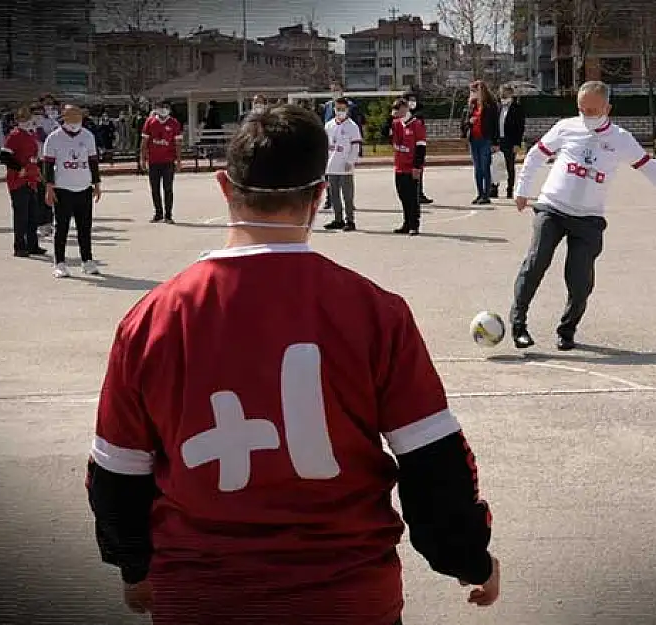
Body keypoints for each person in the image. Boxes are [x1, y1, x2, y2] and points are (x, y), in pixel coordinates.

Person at [85, 103, 500, 625]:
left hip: (201, 595)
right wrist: (468, 560)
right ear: (320, 194)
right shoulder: (375, 311)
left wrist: (133, 565)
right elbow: (434, 464)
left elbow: (116, 473)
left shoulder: (152, 319)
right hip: (346, 597)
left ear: (223, 187)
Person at [510, 81, 656, 351]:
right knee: (535, 262)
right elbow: (534, 156)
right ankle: (519, 325)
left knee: (579, 280)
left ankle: (567, 329)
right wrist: (522, 190)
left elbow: (650, 168)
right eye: (582, 109)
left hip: (588, 219)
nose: (586, 116)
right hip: (552, 207)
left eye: (593, 110)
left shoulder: (620, 139)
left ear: (607, 108)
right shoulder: (566, 127)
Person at [43, 104, 101, 278]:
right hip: (63, 188)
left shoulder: (88, 136)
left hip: (84, 187)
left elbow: (93, 161)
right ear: (64, 119)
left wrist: (97, 183)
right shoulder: (54, 138)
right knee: (62, 228)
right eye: (72, 120)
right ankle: (59, 263)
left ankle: (87, 261)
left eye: (78, 119)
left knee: (85, 227)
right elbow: (48, 165)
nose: (76, 123)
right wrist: (49, 188)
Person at [0, 106, 47, 258]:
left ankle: (32, 245)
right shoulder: (14, 135)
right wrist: (19, 168)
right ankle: (19, 246)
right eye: (23, 119)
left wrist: (37, 171)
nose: (27, 121)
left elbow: (33, 157)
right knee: (21, 215)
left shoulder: (30, 134)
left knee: (33, 214)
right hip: (18, 180)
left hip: (31, 179)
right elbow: (4, 156)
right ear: (18, 121)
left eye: (28, 119)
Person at [322, 97, 363, 232]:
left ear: (347, 110)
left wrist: (350, 161)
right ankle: (337, 219)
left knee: (347, 195)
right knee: (334, 195)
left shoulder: (352, 126)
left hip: (345, 167)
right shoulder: (328, 125)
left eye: (342, 109)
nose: (340, 111)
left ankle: (350, 220)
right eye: (337, 109)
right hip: (331, 166)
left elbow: (356, 147)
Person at [141, 99, 183, 224]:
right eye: (161, 107)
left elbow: (178, 143)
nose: (163, 109)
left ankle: (168, 215)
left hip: (168, 161)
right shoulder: (150, 122)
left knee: (168, 188)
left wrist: (179, 160)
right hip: (154, 161)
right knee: (154, 188)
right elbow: (144, 142)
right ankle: (158, 213)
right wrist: (142, 158)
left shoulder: (174, 123)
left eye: (166, 107)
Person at [389, 98, 427, 236]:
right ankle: (406, 223)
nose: (396, 112)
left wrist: (417, 166)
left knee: (412, 197)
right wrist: (390, 118)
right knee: (403, 196)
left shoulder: (416, 124)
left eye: (398, 108)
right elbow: (383, 134)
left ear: (405, 108)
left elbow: (421, 147)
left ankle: (414, 224)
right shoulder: (395, 123)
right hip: (399, 166)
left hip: (411, 167)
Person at [460, 80, 500, 205]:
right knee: (477, 169)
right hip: (474, 139)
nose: (472, 93)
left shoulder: (490, 105)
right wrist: (469, 122)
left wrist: (495, 142)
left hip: (486, 139)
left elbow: (495, 125)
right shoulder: (471, 106)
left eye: (474, 90)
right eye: (471, 91)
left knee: (485, 168)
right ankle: (479, 193)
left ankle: (486, 195)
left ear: (481, 91)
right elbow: (464, 123)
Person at [491, 84, 526, 200]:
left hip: (510, 141)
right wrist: (494, 142)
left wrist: (517, 144)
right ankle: (494, 188)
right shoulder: (497, 107)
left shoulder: (517, 108)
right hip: (498, 141)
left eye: (505, 93)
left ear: (511, 94)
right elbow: (494, 125)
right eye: (501, 93)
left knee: (509, 166)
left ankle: (509, 189)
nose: (503, 95)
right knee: (496, 165)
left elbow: (520, 127)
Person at [33, 100, 61, 237]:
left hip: (47, 161)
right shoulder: (31, 123)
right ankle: (40, 222)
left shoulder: (51, 122)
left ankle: (48, 222)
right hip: (35, 161)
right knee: (38, 194)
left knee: (48, 191)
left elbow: (51, 138)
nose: (37, 114)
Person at [403, 89, 434, 205]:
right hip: (405, 148)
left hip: (417, 146)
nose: (412, 102)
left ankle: (418, 193)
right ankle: (410, 194)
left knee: (418, 170)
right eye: (409, 100)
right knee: (406, 173)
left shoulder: (419, 115)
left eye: (414, 100)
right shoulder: (401, 116)